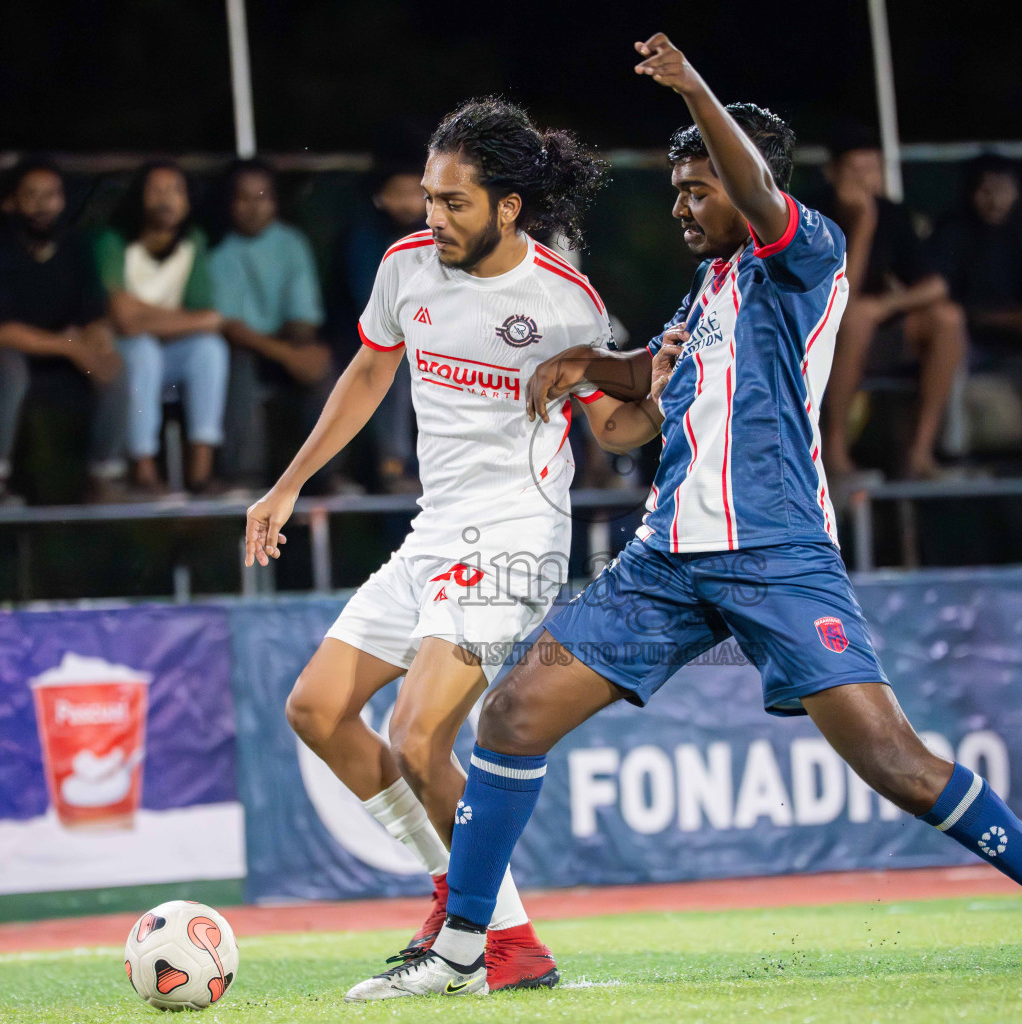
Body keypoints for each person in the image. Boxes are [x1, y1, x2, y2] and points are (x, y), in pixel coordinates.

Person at [351, 34, 1022, 1002]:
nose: (680, 205)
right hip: (666, 564)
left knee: (898, 764)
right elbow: (649, 380)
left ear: (750, 192)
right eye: (673, 188)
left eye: (696, 188)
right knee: (512, 713)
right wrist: (581, 365)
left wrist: (695, 87)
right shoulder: (707, 291)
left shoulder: (806, 260)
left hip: (777, 555)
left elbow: (753, 196)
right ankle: (465, 946)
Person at [244, 98, 629, 997]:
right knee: (317, 710)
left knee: (419, 737)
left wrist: (658, 382)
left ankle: (491, 940)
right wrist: (289, 481)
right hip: (436, 532)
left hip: (516, 539)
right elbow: (372, 368)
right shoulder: (407, 268)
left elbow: (612, 426)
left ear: (508, 207)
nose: (433, 217)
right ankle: (470, 910)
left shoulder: (564, 300)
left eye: (454, 202)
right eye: (427, 197)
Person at [0, 156, 129, 505]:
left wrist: (97, 340)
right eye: (31, 196)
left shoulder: (75, 247)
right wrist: (71, 347)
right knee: (9, 366)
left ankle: (104, 477)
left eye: (51, 195)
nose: (42, 205)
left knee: (116, 365)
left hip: (61, 354)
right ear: (10, 202)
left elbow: (93, 313)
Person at [818, 122, 966, 480]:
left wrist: (888, 305)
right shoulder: (811, 216)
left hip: (876, 328)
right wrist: (863, 223)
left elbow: (934, 285)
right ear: (833, 173)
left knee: (947, 319)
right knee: (856, 318)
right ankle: (833, 448)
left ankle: (921, 451)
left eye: (873, 170)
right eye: (856, 171)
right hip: (821, 333)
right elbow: (839, 297)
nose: (866, 180)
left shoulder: (892, 213)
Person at [96, 161, 229, 494]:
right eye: (156, 190)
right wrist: (176, 319)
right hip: (120, 352)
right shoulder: (113, 241)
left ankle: (201, 471)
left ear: (186, 201)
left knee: (210, 350)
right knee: (144, 351)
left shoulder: (193, 241)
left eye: (175, 191)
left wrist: (142, 315)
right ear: (139, 197)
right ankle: (144, 469)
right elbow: (121, 318)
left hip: (168, 347)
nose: (166, 199)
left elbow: (209, 317)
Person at [210, 158, 334, 487]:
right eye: (243, 198)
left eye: (262, 196)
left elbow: (303, 317)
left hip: (282, 343)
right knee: (239, 366)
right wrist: (288, 355)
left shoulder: (292, 243)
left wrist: (303, 351)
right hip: (245, 349)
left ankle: (326, 476)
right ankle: (244, 477)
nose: (253, 207)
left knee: (328, 366)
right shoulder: (219, 253)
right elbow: (232, 329)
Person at [927, 153, 1022, 430]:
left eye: (1003, 191)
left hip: (1017, 341)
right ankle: (953, 451)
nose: (994, 200)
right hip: (968, 335)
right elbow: (946, 300)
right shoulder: (953, 229)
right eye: (985, 190)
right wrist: (1010, 319)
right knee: (949, 340)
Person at [331, 150, 430, 493]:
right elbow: (368, 303)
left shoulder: (439, 234)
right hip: (366, 338)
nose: (406, 203)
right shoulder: (364, 237)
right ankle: (393, 466)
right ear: (380, 197)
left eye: (414, 194)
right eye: (397, 193)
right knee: (396, 359)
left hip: (428, 336)